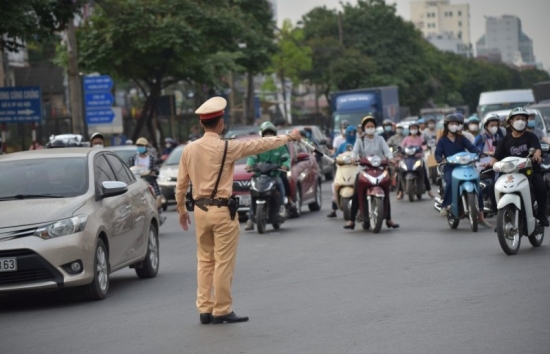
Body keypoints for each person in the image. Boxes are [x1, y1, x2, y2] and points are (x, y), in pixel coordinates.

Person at [175, 97, 302, 325]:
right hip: (222, 212)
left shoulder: (189, 150)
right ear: (221, 123)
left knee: (205, 261)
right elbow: (260, 144)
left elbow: (181, 185)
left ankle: (205, 309)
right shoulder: (228, 147)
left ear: (203, 124)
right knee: (223, 262)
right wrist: (288, 137)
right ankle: (222, 310)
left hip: (200, 212)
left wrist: (182, 210)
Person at [489, 107, 549, 226]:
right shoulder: (505, 140)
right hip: (509, 173)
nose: (520, 121)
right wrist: (491, 164)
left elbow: (537, 149)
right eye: (517, 118)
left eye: (523, 119)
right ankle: (500, 217)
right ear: (511, 121)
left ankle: (541, 214)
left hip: (530, 172)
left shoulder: (531, 137)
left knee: (541, 187)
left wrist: (537, 155)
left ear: (526, 122)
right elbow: (496, 157)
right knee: (492, 188)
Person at [344, 116, 399, 229]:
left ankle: (388, 219)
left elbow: (387, 152)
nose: (370, 128)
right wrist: (353, 158)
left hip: (379, 169)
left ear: (375, 127)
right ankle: (351, 220)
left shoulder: (380, 139)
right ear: (364, 128)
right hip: (363, 170)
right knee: (356, 193)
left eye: (372, 126)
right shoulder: (360, 141)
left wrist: (391, 158)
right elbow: (354, 152)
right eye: (368, 126)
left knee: (386, 191)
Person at [435, 114, 491, 227]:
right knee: (450, 182)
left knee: (477, 184)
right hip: (450, 167)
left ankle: (480, 214)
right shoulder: (442, 140)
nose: (454, 126)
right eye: (452, 124)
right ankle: (446, 206)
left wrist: (479, 153)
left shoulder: (462, 138)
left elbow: (472, 148)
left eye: (456, 124)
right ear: (447, 126)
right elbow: (437, 154)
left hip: (465, 165)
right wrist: (440, 159)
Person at [244, 121, 290, 230]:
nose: (268, 136)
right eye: (266, 133)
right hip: (260, 176)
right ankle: (250, 217)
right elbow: (252, 157)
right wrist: (249, 166)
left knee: (280, 185)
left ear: (274, 134)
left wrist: (284, 165)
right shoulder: (258, 146)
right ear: (262, 134)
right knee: (253, 192)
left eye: (270, 133)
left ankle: (282, 207)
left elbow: (286, 158)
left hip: (274, 175)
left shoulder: (280, 146)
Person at [399, 122, 435, 199]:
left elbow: (424, 145)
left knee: (424, 172)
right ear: (409, 130)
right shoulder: (406, 139)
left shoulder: (420, 138)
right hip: (407, 158)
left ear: (417, 129)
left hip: (417, 158)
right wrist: (400, 150)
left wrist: (424, 148)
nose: (413, 130)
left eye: (415, 128)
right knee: (401, 172)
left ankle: (429, 191)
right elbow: (401, 146)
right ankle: (400, 192)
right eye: (412, 128)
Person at [327, 125, 357, 218]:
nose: (351, 135)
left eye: (353, 133)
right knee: (335, 185)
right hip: (343, 170)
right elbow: (336, 155)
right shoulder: (342, 145)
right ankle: (334, 208)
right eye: (349, 133)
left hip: (356, 170)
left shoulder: (359, 144)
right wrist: (333, 159)